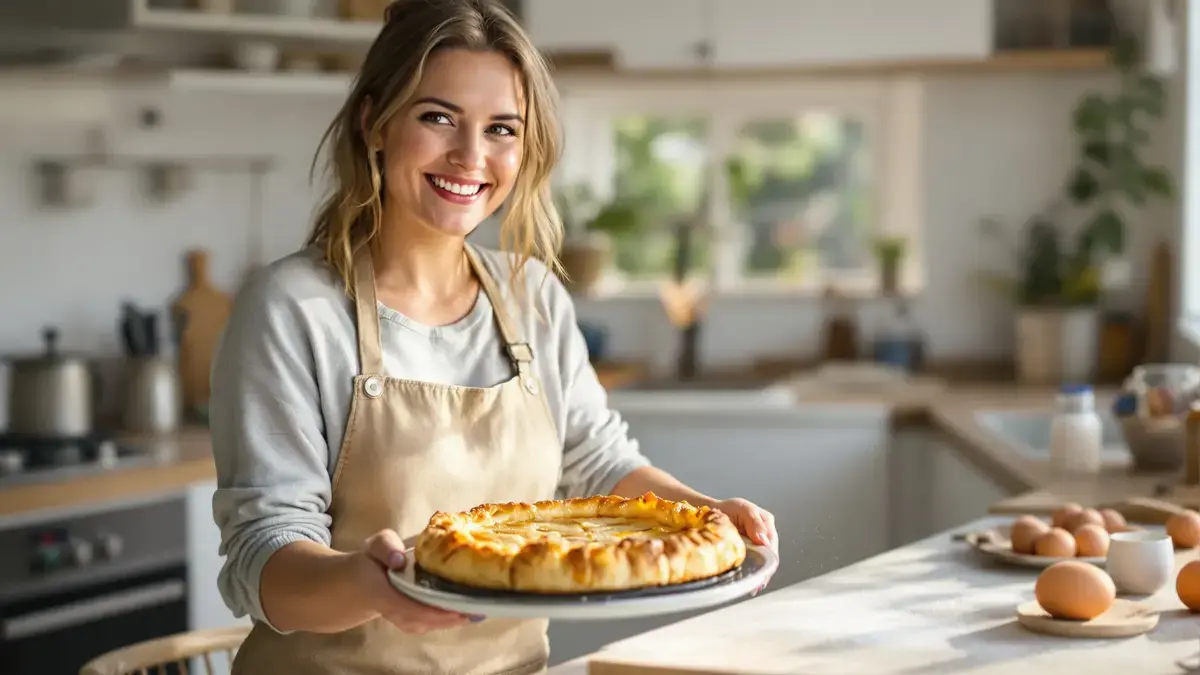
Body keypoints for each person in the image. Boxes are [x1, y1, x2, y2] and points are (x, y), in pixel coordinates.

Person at [208, 0, 778, 673]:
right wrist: (374, 586)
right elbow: (265, 561)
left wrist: (708, 514)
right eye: (437, 117)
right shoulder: (293, 309)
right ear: (375, 123)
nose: (470, 156)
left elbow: (597, 461)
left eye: (501, 128)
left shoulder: (531, 293)